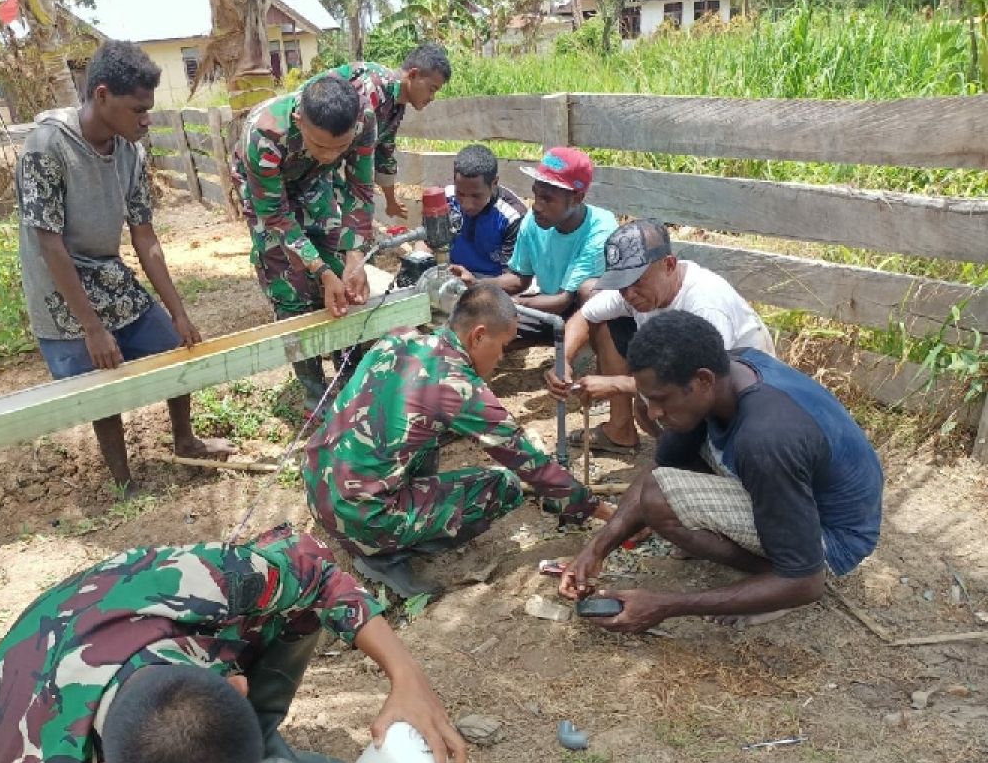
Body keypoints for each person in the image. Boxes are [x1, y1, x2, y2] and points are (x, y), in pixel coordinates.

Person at [0, 525, 467, 763]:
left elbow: (310, 565)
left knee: (287, 587)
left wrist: (407, 676)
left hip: (113, 604)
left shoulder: (193, 584)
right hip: (19, 691)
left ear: (236, 688)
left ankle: (259, 742)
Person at [559, 310, 883, 633]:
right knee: (661, 482)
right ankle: (772, 575)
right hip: (798, 490)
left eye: (660, 400)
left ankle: (773, 584)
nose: (653, 413)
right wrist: (596, 549)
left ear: (702, 381)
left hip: (833, 539)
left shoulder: (766, 438)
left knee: (660, 499)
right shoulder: (724, 373)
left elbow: (808, 582)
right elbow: (663, 465)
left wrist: (665, 605)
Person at [16, 40, 234, 497]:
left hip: (105, 271)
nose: (145, 119)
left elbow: (145, 235)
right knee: (102, 383)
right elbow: (49, 244)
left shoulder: (130, 152)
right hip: (60, 287)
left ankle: (185, 440)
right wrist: (92, 327)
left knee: (174, 348)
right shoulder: (47, 147)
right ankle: (123, 480)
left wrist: (177, 311)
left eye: (148, 110)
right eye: (137, 109)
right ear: (101, 96)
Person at [304, 284, 610, 598]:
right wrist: (607, 515)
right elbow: (532, 465)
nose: (502, 355)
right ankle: (384, 552)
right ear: (478, 335)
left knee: (425, 440)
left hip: (317, 483)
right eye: (503, 345)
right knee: (503, 486)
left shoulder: (400, 337)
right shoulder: (457, 386)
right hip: (359, 517)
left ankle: (384, 524)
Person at [546, 219, 774, 454]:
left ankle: (701, 454)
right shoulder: (635, 291)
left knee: (654, 412)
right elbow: (585, 316)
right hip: (690, 378)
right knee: (606, 325)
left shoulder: (706, 305)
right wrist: (564, 359)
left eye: (636, 282)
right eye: (621, 285)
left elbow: (704, 381)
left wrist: (619, 384)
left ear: (669, 265)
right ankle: (625, 431)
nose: (628, 294)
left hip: (740, 398)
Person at [232, 76, 374, 411]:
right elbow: (277, 215)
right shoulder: (263, 134)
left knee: (344, 275)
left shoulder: (363, 118)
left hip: (313, 182)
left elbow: (359, 188)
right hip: (266, 191)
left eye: (340, 147)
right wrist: (321, 271)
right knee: (289, 288)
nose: (331, 156)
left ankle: (351, 375)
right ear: (299, 121)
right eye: (321, 146)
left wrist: (354, 258)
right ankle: (315, 394)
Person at [450, 147, 618, 347]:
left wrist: (515, 304)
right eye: (536, 195)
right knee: (475, 329)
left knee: (589, 291)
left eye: (547, 199)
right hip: (546, 307)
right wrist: (476, 283)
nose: (537, 206)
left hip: (579, 310)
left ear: (576, 199)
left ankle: (587, 351)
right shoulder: (532, 221)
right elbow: (520, 279)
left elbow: (563, 300)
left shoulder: (599, 230)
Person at [318, 43, 451, 220]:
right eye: (431, 89)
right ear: (413, 74)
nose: (432, 98)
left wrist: (391, 202)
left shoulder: (396, 106)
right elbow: (336, 139)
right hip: (310, 150)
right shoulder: (373, 87)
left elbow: (384, 154)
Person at [416, 144, 527, 278]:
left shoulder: (512, 217)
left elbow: (514, 279)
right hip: (449, 275)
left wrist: (475, 284)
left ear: (494, 183)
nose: (467, 205)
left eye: (476, 196)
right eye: (461, 194)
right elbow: (426, 240)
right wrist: (418, 261)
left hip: (491, 285)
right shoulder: (443, 198)